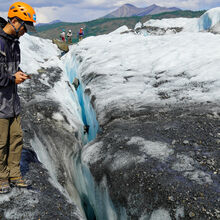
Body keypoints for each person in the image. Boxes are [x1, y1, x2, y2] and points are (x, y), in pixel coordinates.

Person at [0, 2, 36, 193]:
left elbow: (11, 69)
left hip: (12, 102)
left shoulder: (14, 43)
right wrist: (12, 78)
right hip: (0, 104)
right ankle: (1, 177)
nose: (25, 32)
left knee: (16, 138)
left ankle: (14, 174)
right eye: (24, 27)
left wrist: (19, 73)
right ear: (14, 21)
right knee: (1, 143)